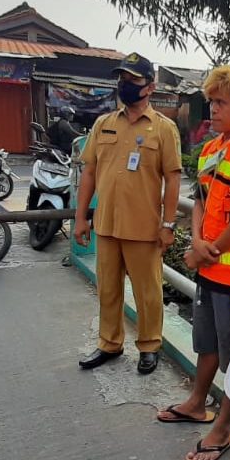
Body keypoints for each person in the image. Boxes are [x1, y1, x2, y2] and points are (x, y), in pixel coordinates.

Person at [156, 65, 230, 460]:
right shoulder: (211, 150)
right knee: (206, 342)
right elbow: (202, 201)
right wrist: (196, 241)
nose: (214, 109)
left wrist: (207, 249)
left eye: (221, 102)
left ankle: (223, 428)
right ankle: (196, 402)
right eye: (211, 101)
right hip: (208, 270)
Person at [74, 52, 182, 374]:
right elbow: (90, 173)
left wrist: (169, 224)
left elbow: (173, 179)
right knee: (107, 288)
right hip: (106, 224)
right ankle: (110, 343)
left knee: (148, 293)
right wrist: (81, 217)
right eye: (122, 78)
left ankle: (149, 346)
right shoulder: (103, 124)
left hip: (144, 228)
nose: (125, 84)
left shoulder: (163, 129)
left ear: (150, 86)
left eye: (132, 79)